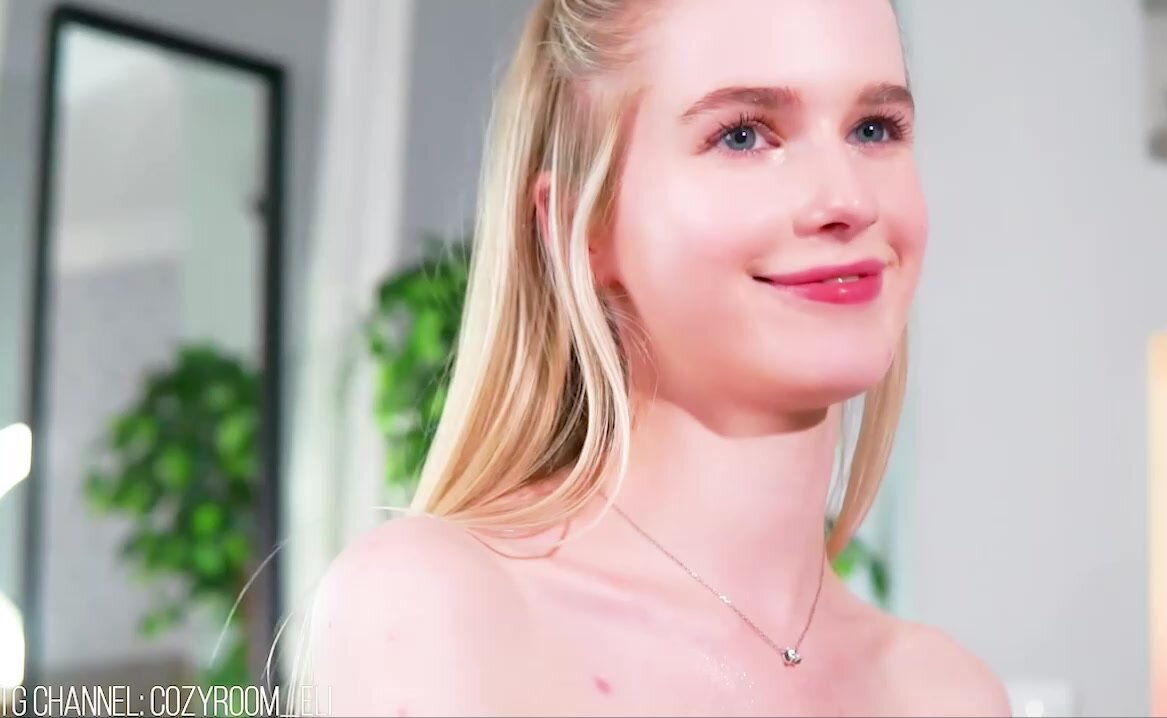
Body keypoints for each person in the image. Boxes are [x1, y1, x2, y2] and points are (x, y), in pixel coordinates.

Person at [307, 0, 1011, 715]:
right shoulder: (439, 614)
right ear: (580, 227)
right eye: (743, 135)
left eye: (874, 128)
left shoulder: (950, 694)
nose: (848, 199)